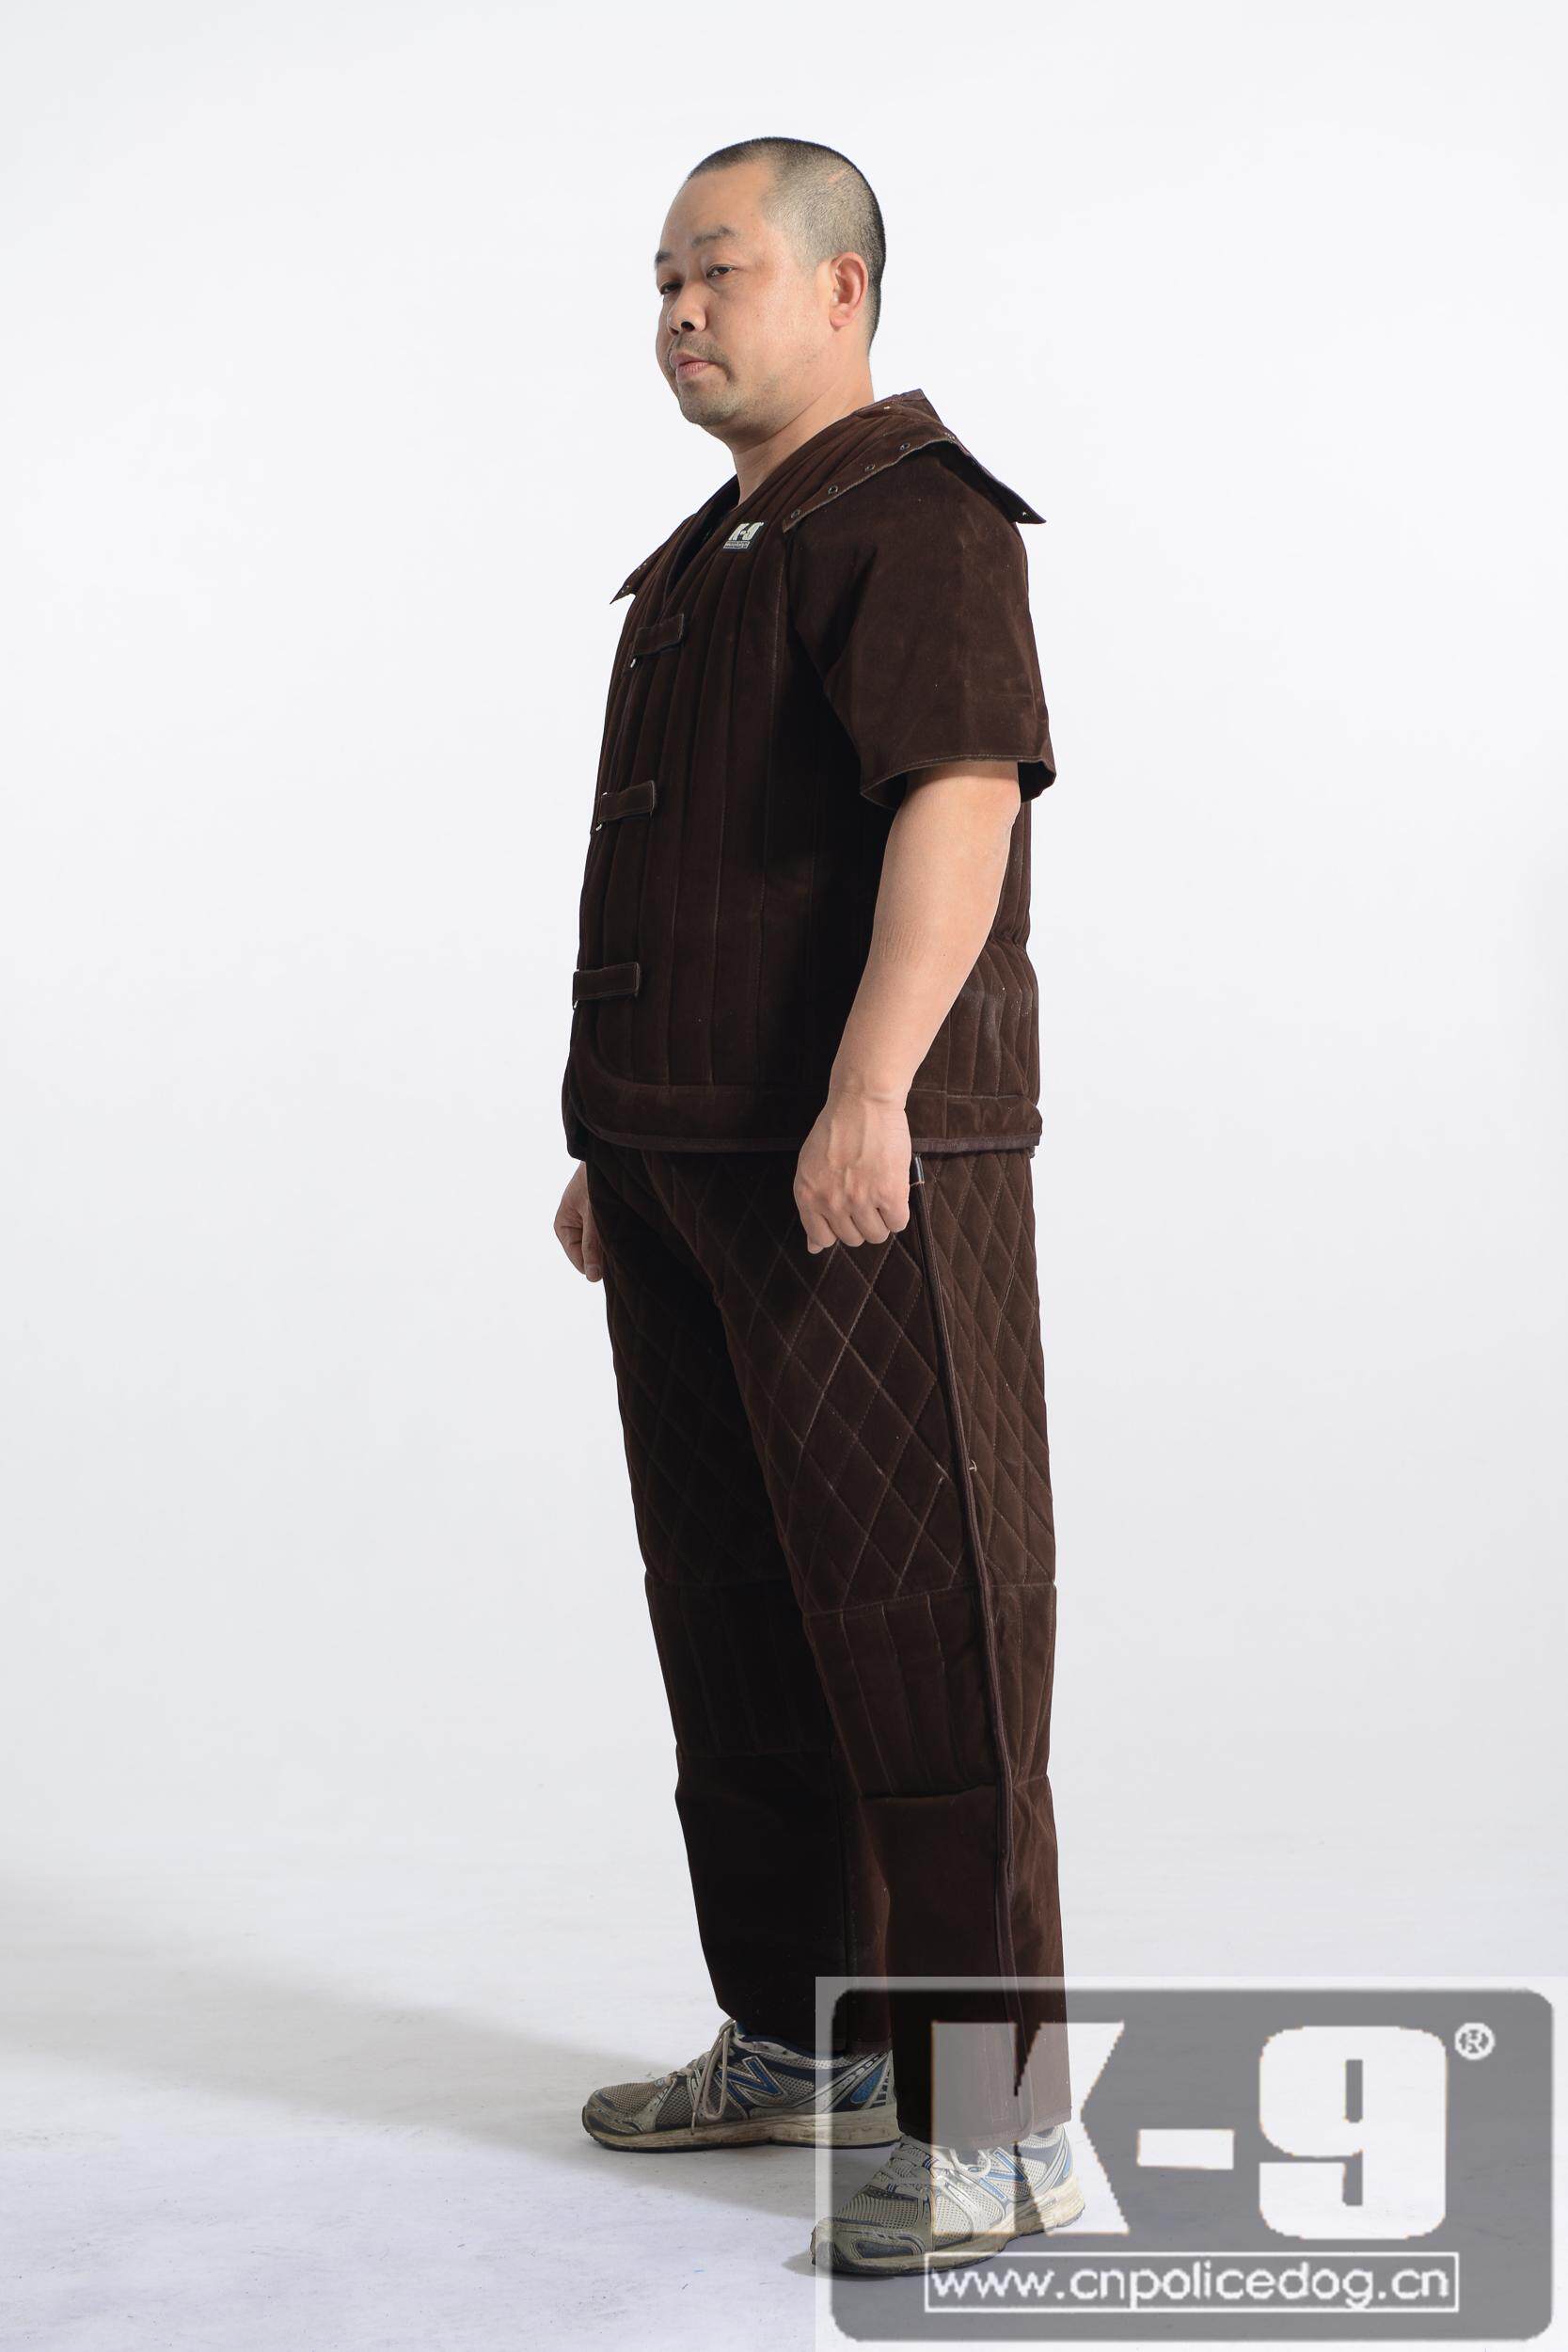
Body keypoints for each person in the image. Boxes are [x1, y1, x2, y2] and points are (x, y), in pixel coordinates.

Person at [552, 134, 1082, 2278]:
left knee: (929, 1637)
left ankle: (1002, 2128)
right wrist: (620, 1143)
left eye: (721, 273)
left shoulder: (916, 520)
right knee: (740, 1625)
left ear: (841, 290)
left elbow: (957, 801)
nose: (680, 313)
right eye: (662, 283)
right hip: (682, 1171)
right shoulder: (721, 547)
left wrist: (871, 1088)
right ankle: (804, 2041)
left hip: (864, 1176)